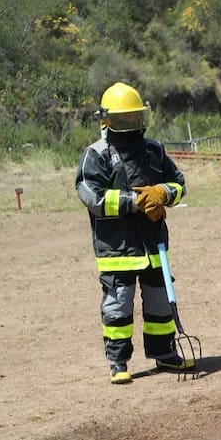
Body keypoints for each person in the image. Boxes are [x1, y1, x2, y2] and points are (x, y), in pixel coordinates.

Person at [75, 82, 191, 384]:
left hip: (154, 246)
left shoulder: (153, 150)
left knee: (160, 303)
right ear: (106, 120)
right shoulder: (96, 154)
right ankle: (118, 362)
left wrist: (162, 194)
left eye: (133, 118)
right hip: (117, 251)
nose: (129, 126)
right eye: (122, 119)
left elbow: (179, 184)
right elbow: (92, 197)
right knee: (118, 307)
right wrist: (135, 202)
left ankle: (165, 354)